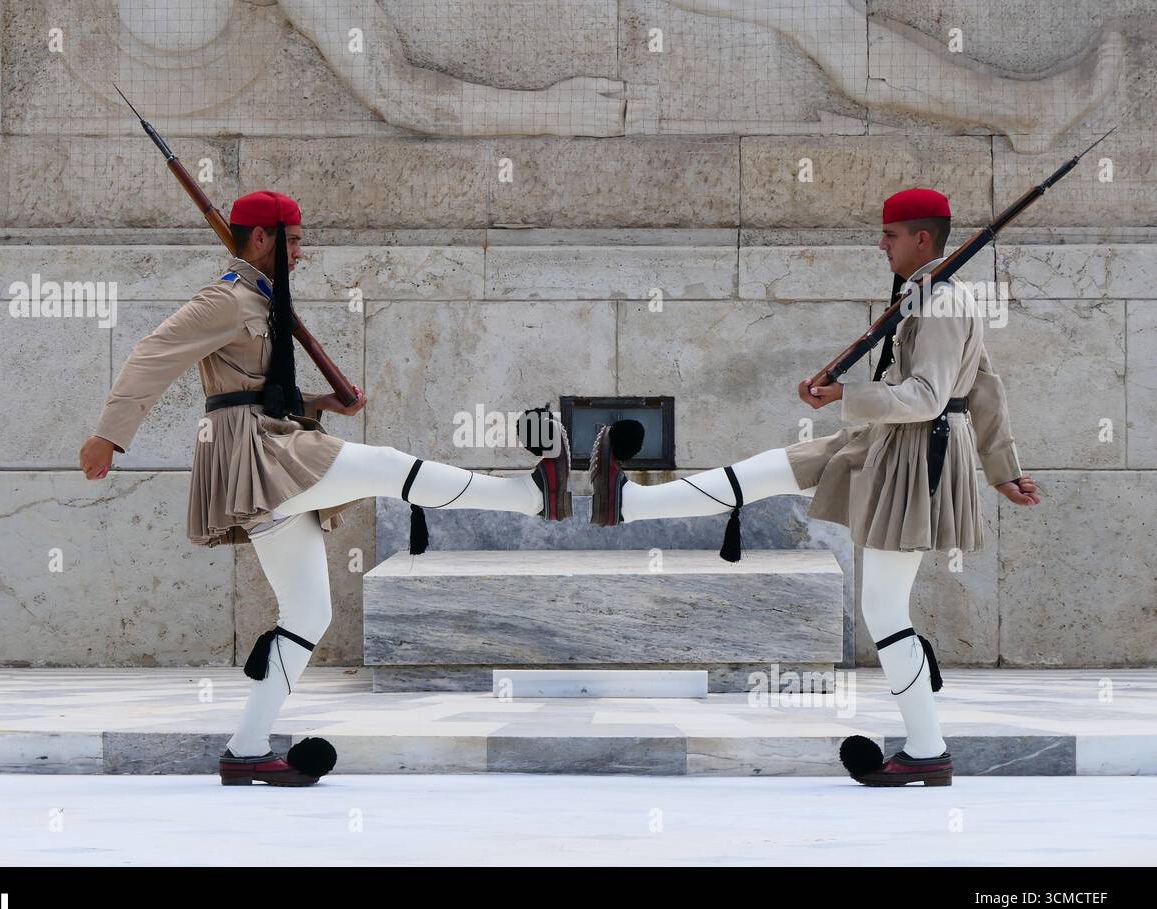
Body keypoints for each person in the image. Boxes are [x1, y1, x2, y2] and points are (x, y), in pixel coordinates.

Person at [80, 190, 570, 786]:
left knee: (309, 611)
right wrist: (110, 435)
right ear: (261, 239)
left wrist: (321, 403)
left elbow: (255, 386)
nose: (302, 253)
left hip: (269, 442)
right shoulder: (226, 299)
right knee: (388, 464)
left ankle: (247, 749)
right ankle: (533, 495)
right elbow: (152, 353)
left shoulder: (259, 297)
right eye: (293, 241)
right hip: (258, 454)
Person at [588, 187, 1040, 787]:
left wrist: (847, 397)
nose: (882, 245)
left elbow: (937, 396)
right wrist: (1003, 469)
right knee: (776, 466)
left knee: (883, 609)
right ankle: (631, 503)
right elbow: (985, 387)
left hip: (913, 455)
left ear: (922, 239)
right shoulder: (928, 296)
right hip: (886, 442)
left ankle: (927, 750)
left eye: (891, 235)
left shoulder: (941, 304)